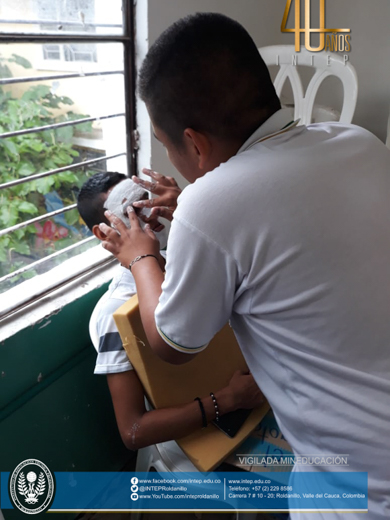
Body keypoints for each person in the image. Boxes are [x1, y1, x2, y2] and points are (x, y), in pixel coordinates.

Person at [99, 13, 390, 520]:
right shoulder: (357, 141)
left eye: (168, 147)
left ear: (193, 142)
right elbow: (287, 215)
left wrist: (141, 254)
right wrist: (197, 203)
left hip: (361, 488)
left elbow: (171, 342)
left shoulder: (211, 208)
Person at [76, 171, 263, 451]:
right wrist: (228, 399)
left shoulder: (189, 256)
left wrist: (189, 210)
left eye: (145, 201)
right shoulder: (115, 312)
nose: (149, 215)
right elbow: (133, 431)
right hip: (208, 434)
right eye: (130, 212)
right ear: (103, 233)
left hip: (260, 395)